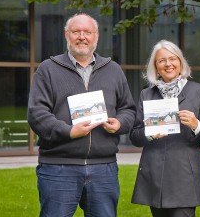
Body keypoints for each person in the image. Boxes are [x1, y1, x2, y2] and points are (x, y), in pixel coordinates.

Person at [27, 13, 137, 217]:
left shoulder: (113, 70)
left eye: (87, 32)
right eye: (76, 31)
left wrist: (120, 123)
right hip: (58, 168)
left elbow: (128, 109)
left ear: (96, 36)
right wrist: (69, 132)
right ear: (66, 35)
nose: (82, 37)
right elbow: (37, 114)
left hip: (104, 168)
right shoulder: (48, 69)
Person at [130, 39, 200, 217]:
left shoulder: (198, 92)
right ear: (155, 66)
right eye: (161, 61)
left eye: (172, 59)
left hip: (184, 177)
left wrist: (196, 125)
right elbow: (134, 136)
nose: (168, 64)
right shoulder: (146, 94)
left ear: (180, 62)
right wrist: (149, 132)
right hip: (154, 175)